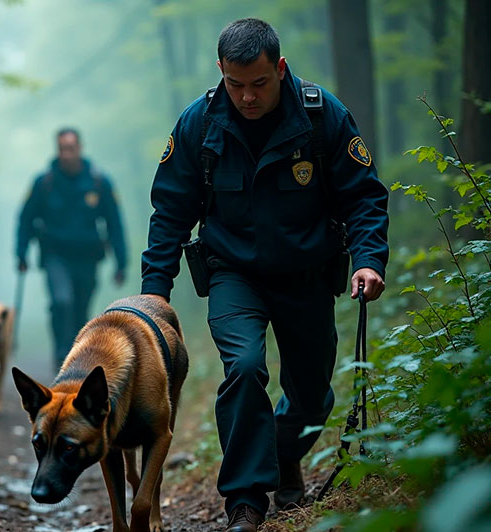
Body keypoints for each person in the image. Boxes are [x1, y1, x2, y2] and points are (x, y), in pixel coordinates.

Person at [141, 18, 389, 532]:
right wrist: (153, 296)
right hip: (234, 273)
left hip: (308, 273)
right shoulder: (200, 124)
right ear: (221, 73)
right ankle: (246, 502)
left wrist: (369, 259)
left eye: (258, 83)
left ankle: (280, 453)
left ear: (280, 68)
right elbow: (170, 211)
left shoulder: (323, 116)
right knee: (246, 367)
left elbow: (363, 197)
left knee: (313, 395)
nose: (247, 97)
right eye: (235, 85)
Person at [16, 128, 127, 370]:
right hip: (55, 256)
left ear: (80, 148)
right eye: (62, 149)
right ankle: (60, 355)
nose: (67, 154)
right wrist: (21, 253)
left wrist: (122, 262)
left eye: (71, 148)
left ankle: (77, 361)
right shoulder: (44, 182)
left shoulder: (98, 182)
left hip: (87, 258)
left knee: (80, 311)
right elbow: (25, 219)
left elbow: (114, 223)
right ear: (57, 150)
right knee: (61, 302)